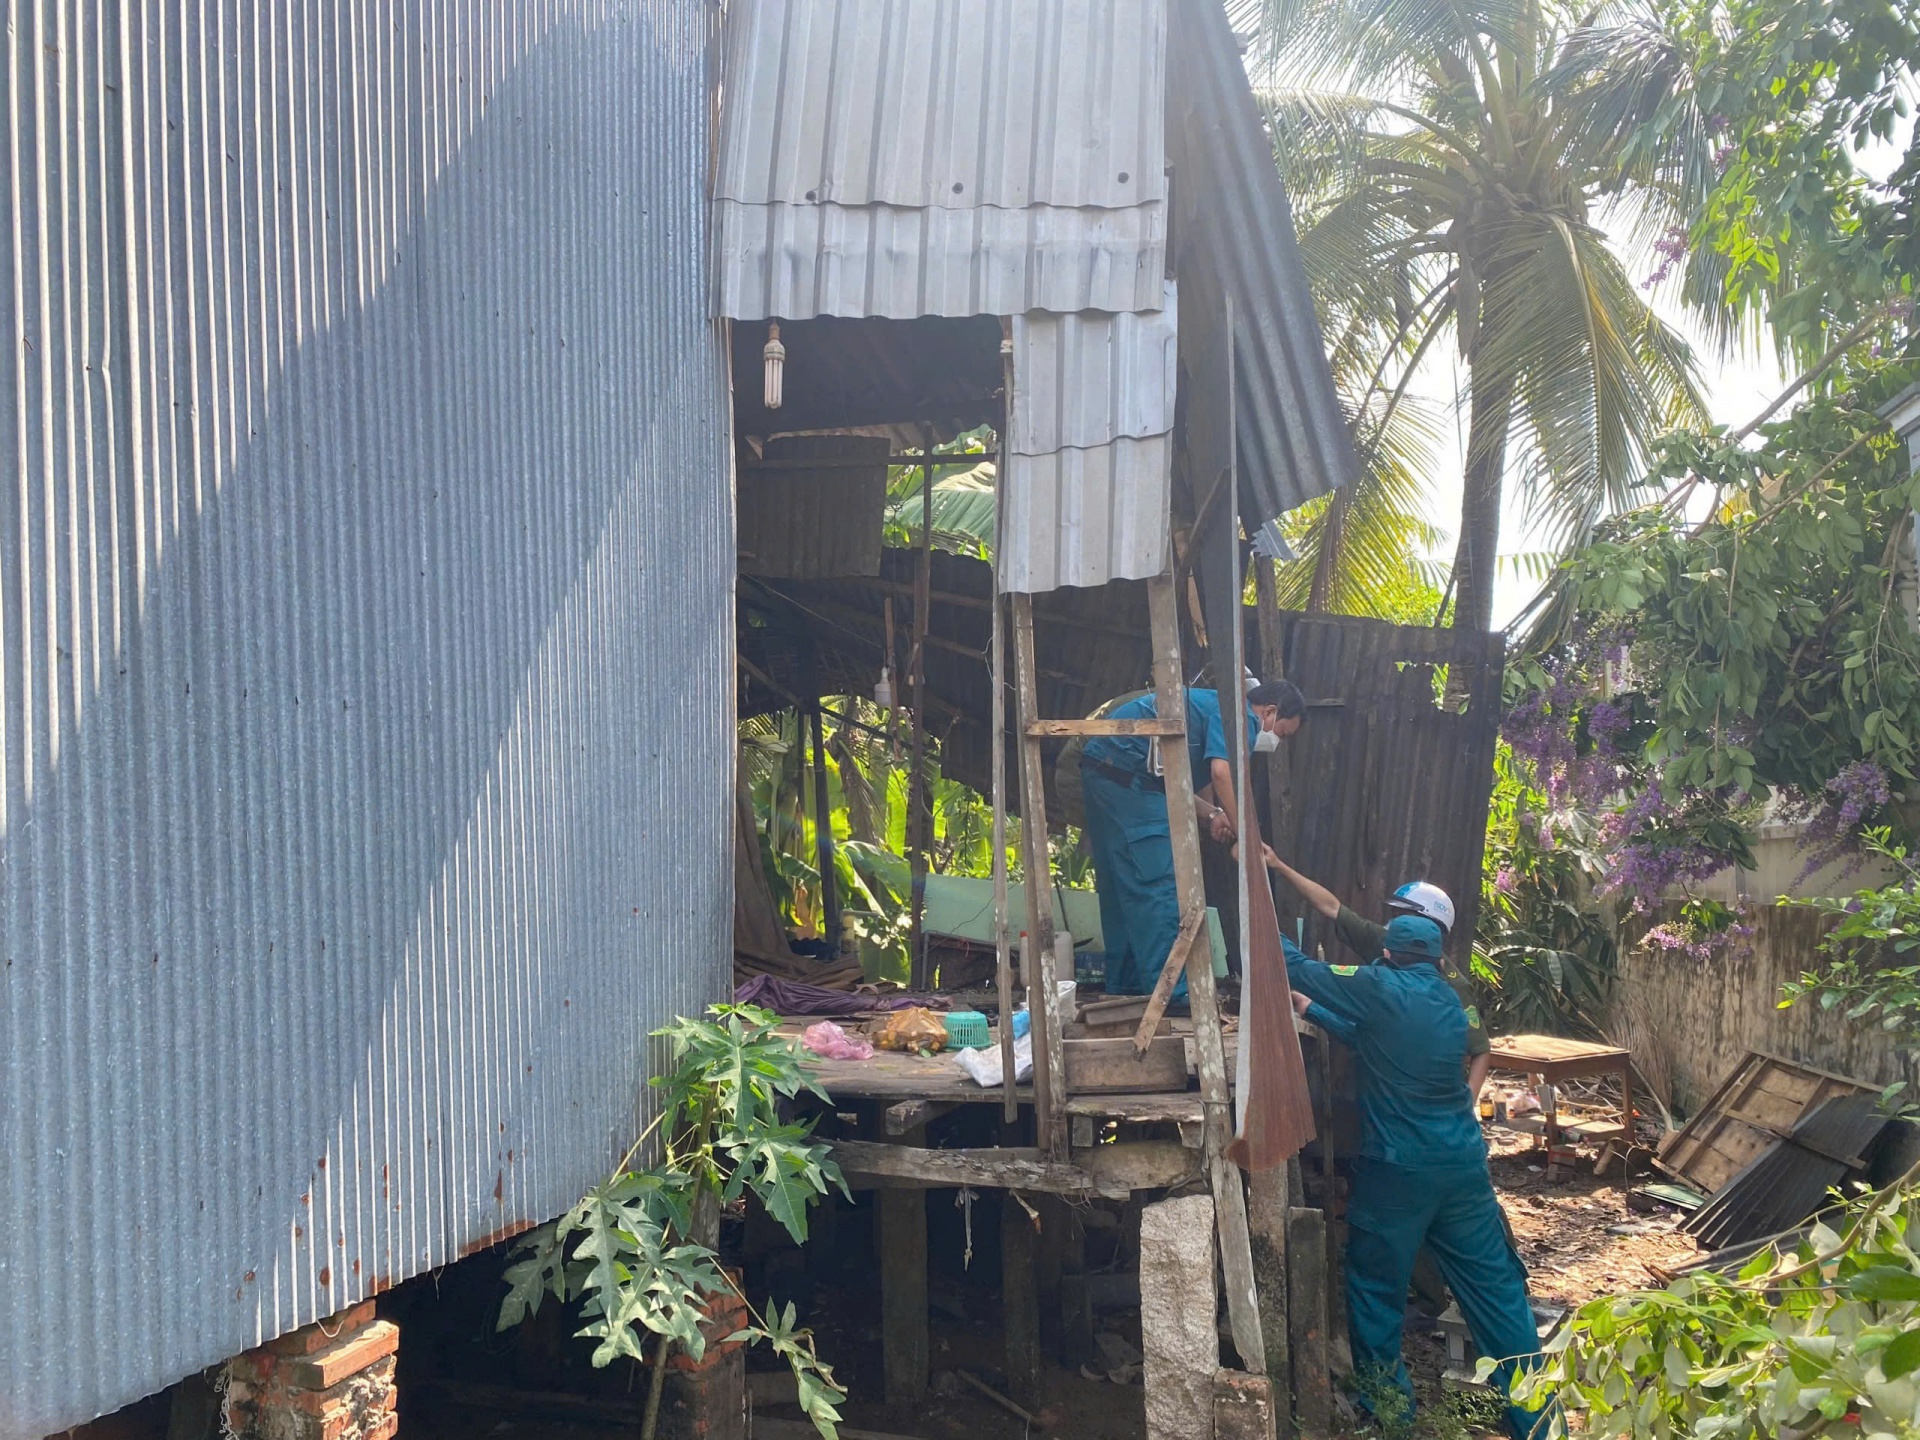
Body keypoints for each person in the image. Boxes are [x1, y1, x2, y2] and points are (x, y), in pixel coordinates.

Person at [1286, 915, 1549, 1439]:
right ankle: (1540, 1424)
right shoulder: (1451, 1004)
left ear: (1387, 953)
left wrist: (1250, 897)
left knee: (1374, 1288)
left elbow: (1298, 965)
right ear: (1434, 958)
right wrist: (1311, 1009)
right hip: (1462, 1170)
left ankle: (1393, 1418)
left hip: (1398, 1171)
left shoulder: (1378, 986)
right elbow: (1375, 1037)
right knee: (1498, 1297)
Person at [1080, 679, 1305, 995]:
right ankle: (1173, 991)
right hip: (1131, 777)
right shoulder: (1241, 716)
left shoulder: (1211, 706)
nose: (1277, 741)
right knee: (1156, 883)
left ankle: (1127, 985)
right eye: (1282, 733)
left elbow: (1183, 785)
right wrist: (1247, 838)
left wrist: (1214, 815)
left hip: (1106, 768)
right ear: (1269, 711)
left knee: (1123, 887)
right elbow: (1221, 773)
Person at [1262, 852, 1493, 1099]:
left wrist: (1468, 1102)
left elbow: (1480, 1048)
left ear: (1429, 924)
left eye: (1401, 916)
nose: (1392, 922)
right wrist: (1278, 865)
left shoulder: (1449, 986)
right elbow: (1332, 907)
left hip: (1422, 1093)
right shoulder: (1390, 944)